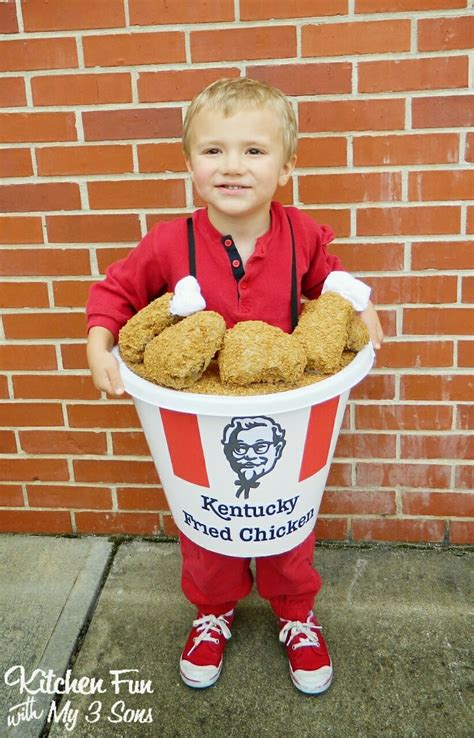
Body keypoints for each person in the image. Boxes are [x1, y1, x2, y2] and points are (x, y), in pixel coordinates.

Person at [86, 77, 384, 695]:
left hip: (285, 411)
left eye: (254, 151)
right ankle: (213, 610)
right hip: (197, 414)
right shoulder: (171, 242)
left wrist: (361, 309)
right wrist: (99, 342)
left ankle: (296, 613)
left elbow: (334, 285)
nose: (233, 166)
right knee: (211, 525)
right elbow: (116, 292)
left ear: (286, 165)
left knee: (283, 522)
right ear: (190, 161)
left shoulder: (302, 234)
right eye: (214, 150)